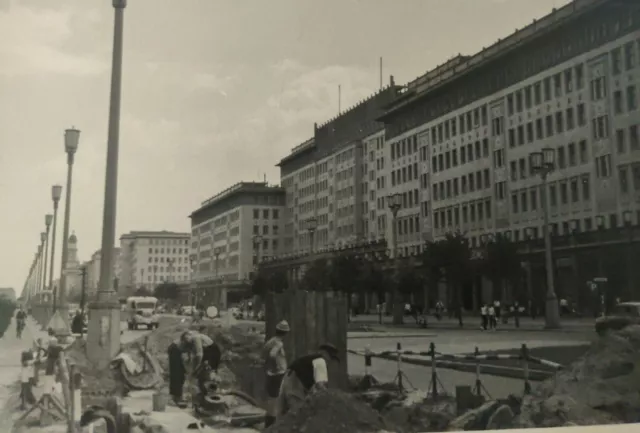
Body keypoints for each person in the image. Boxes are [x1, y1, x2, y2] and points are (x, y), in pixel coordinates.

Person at [276, 343, 340, 418]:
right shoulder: (320, 361)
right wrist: (330, 398)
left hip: (287, 380)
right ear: (324, 353)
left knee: (283, 414)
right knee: (298, 413)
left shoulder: (308, 359)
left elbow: (313, 387)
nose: (330, 361)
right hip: (295, 386)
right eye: (331, 357)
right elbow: (320, 385)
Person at [178, 330, 223, 397]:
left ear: (190, 335)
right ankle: (204, 392)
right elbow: (191, 354)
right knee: (200, 374)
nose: (187, 340)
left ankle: (215, 390)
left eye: (187, 338)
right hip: (206, 353)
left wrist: (197, 367)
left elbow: (200, 354)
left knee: (210, 372)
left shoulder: (196, 337)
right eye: (185, 340)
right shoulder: (191, 342)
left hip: (213, 352)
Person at [263, 320, 289, 427]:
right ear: (285, 333)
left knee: (271, 398)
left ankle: (269, 421)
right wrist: (277, 366)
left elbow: (264, 354)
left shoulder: (270, 341)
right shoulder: (278, 343)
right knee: (277, 398)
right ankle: (272, 423)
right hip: (278, 374)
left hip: (270, 373)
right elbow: (273, 355)